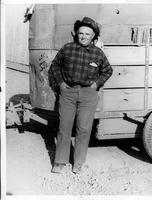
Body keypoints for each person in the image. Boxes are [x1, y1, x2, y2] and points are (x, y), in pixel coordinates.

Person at [48, 17, 113, 174]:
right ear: (76, 34)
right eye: (81, 33)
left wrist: (95, 84)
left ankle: (78, 163)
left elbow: (107, 70)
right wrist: (61, 84)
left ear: (93, 37)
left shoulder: (98, 53)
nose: (83, 36)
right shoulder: (67, 49)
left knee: (83, 129)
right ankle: (60, 162)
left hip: (88, 95)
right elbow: (55, 66)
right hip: (68, 93)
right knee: (64, 127)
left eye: (87, 34)